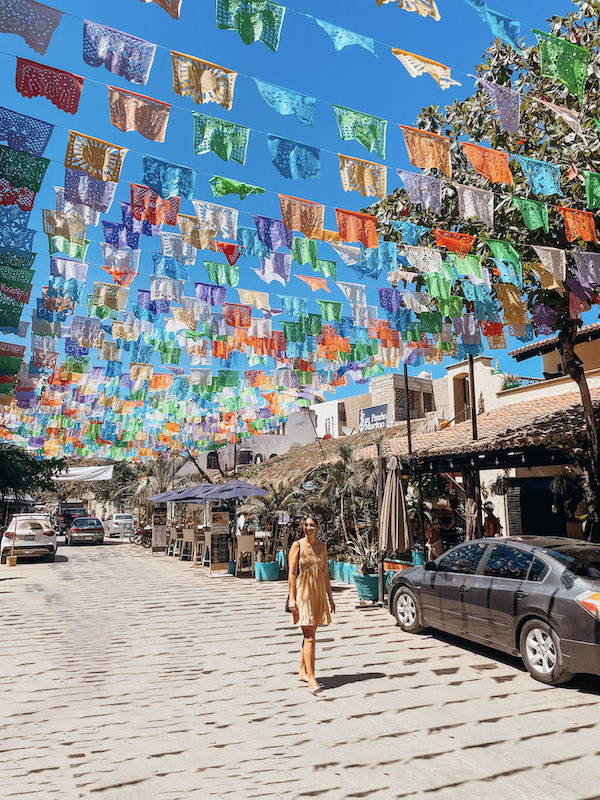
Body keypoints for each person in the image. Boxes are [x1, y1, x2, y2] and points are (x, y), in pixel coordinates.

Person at [288, 517, 335, 699]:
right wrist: (292, 599)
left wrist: (330, 597)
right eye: (306, 525)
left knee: (311, 633)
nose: (308, 528)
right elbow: (292, 574)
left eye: (312, 525)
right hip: (303, 594)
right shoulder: (297, 546)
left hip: (318, 594)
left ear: (317, 527)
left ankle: (302, 671)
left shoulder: (322, 547)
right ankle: (312, 680)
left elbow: (325, 574)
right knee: (310, 637)